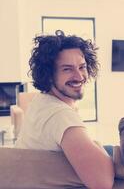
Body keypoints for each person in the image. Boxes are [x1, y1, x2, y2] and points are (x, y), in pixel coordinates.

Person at [15, 30, 114, 189]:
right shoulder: (59, 115)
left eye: (82, 67)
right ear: (48, 75)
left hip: (32, 177)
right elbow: (102, 183)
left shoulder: (40, 100)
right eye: (67, 69)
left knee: (113, 150)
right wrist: (96, 143)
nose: (79, 76)